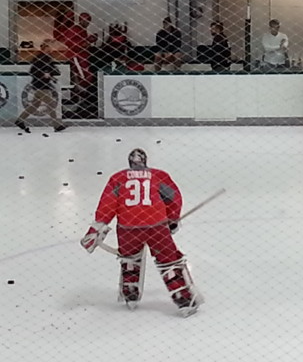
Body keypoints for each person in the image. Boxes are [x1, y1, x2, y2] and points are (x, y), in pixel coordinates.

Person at [80, 148, 201, 316]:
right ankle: (184, 298)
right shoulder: (158, 175)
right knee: (169, 261)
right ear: (145, 162)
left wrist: (95, 229)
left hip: (128, 228)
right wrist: (172, 219)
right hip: (156, 226)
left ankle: (130, 294)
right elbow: (174, 198)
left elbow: (106, 206)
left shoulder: (117, 178)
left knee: (130, 259)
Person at [16, 40, 67, 133]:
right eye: (48, 48)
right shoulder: (39, 59)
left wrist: (50, 74)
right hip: (41, 85)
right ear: (43, 49)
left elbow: (56, 71)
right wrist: (43, 74)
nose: (50, 50)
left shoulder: (49, 59)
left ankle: (20, 120)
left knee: (35, 105)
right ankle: (56, 125)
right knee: (51, 104)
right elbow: (33, 72)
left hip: (43, 85)